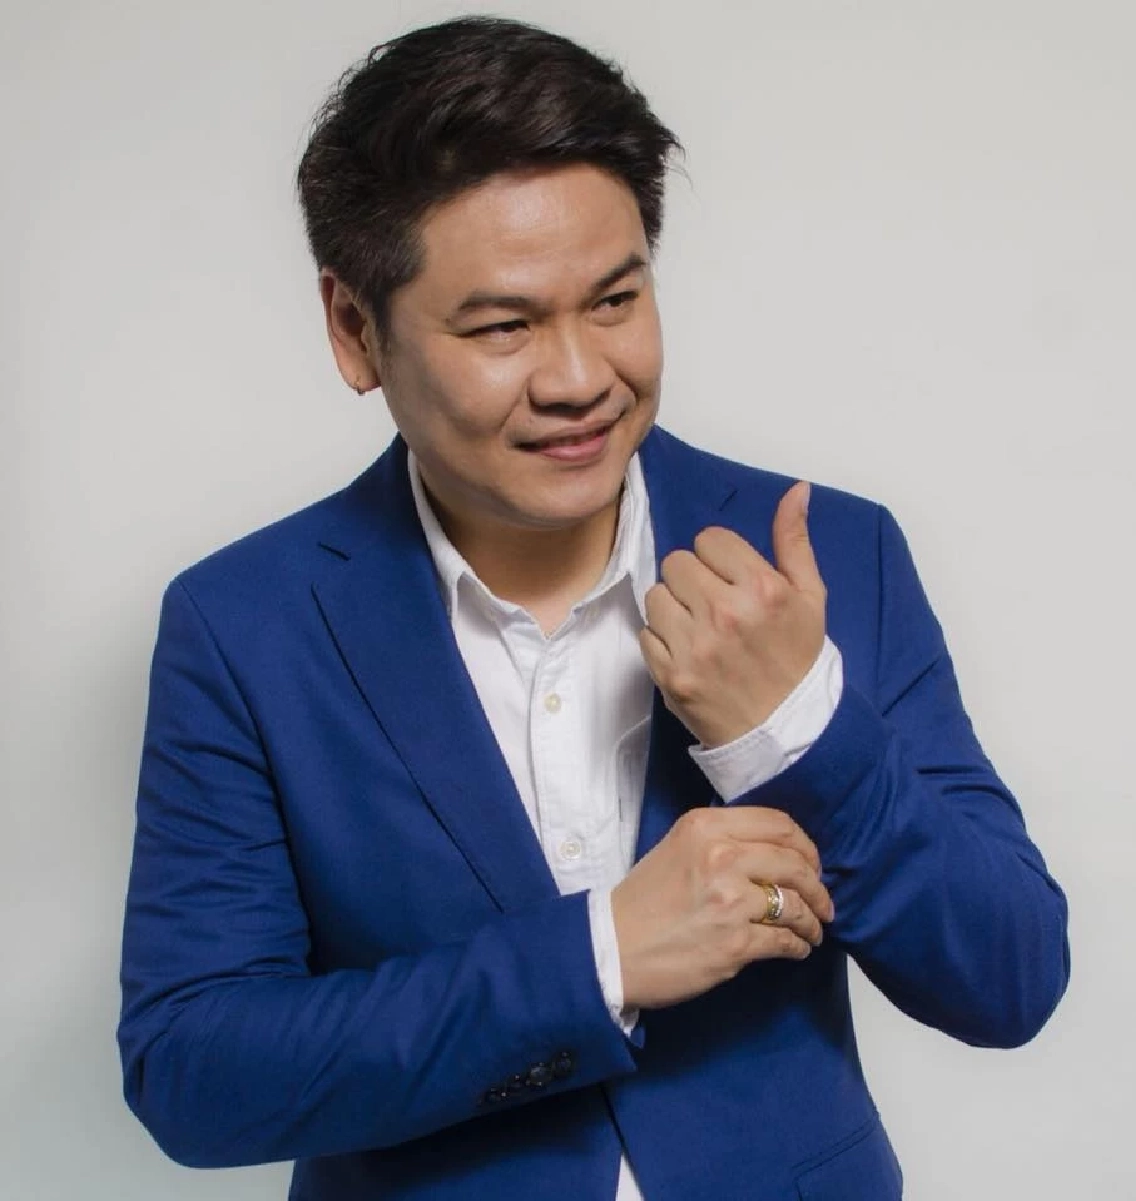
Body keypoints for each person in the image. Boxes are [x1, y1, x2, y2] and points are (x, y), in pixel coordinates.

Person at [117, 15, 1069, 1200]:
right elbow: (196, 1071)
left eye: (615, 301)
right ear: (355, 330)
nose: (580, 379)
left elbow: (1011, 978)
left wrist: (798, 732)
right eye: (504, 326)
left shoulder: (829, 553)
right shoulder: (244, 625)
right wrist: (599, 955)